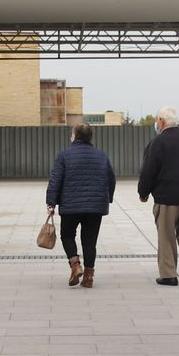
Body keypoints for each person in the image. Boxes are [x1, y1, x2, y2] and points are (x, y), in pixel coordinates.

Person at [137, 105, 179, 286]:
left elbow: (148, 172)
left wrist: (143, 193)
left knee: (166, 236)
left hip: (167, 198)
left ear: (161, 122)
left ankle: (168, 275)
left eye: (156, 121)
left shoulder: (157, 143)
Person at [46, 121, 116, 288]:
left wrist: (51, 203)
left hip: (71, 206)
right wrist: (108, 198)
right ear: (90, 137)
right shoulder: (101, 156)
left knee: (68, 235)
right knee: (89, 242)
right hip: (95, 207)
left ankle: (76, 265)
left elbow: (56, 179)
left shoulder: (64, 155)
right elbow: (111, 179)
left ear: (75, 136)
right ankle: (89, 277)